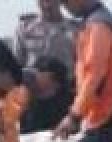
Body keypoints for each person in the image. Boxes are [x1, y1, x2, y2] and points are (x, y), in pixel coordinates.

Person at [55, 0, 112, 141]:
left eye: (65, 2)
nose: (65, 8)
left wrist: (74, 116)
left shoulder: (98, 25)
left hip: (109, 113)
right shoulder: (100, 21)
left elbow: (95, 75)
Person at [13, 0, 78, 133]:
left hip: (64, 101)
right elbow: (15, 67)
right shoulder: (25, 27)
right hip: (32, 103)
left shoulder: (76, 30)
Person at [19, 56, 74, 134]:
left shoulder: (69, 102)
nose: (34, 74)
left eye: (40, 70)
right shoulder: (27, 99)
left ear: (52, 77)